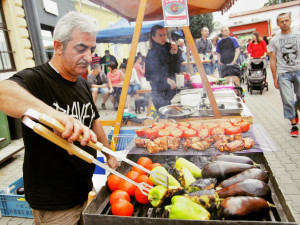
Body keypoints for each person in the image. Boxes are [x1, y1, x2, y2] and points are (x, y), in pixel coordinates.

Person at [0, 11, 118, 224]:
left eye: (92, 49)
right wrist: (55, 116)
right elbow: (3, 92)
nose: (89, 57)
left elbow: (94, 121)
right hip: (54, 202)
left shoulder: (81, 82)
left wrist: (109, 153)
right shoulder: (37, 79)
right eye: (81, 49)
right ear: (58, 46)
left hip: (83, 189)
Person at [269, 12, 300, 137]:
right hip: (283, 73)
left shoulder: (298, 35)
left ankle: (295, 108)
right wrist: (274, 77)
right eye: (282, 21)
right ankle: (294, 125)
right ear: (277, 24)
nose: (284, 23)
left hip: (298, 69)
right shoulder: (274, 40)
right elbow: (272, 59)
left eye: (286, 20)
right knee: (287, 99)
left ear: (290, 21)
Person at [145, 25, 182, 117]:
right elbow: (149, 75)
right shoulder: (151, 53)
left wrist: (176, 54)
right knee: (164, 118)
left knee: (174, 118)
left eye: (164, 34)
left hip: (172, 91)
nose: (163, 37)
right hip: (159, 92)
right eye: (160, 35)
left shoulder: (170, 47)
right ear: (153, 37)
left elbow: (177, 69)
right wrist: (165, 79)